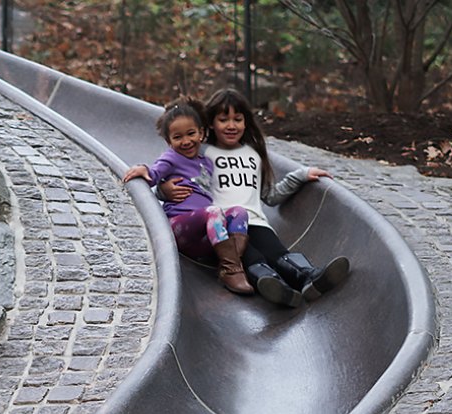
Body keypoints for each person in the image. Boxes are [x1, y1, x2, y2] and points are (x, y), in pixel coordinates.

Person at [161, 88, 349, 307]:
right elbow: (177, 177)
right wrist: (164, 189)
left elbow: (270, 195)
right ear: (210, 125)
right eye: (223, 120)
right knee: (252, 258)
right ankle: (276, 288)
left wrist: (301, 175)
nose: (231, 125)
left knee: (279, 254)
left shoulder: (253, 155)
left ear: (246, 122)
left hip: (256, 220)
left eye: (237, 120)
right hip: (225, 226)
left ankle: (310, 278)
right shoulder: (203, 153)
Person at [122, 97, 254, 294]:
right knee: (213, 212)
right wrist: (143, 169)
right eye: (177, 137)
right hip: (179, 228)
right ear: (169, 141)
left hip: (205, 234)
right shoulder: (171, 157)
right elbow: (154, 174)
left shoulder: (207, 163)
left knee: (239, 213)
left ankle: (230, 261)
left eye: (191, 134)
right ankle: (232, 270)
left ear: (201, 133)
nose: (186, 141)